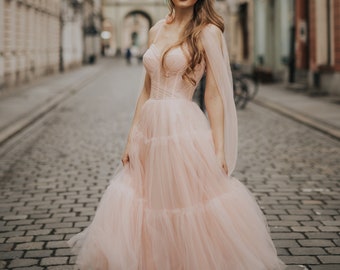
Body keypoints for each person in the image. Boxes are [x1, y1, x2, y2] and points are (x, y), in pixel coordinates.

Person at [68, 0, 287, 269]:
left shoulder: (208, 32)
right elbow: (146, 91)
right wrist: (131, 137)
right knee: (145, 203)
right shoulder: (155, 30)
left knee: (184, 204)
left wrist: (219, 149)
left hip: (181, 128)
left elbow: (215, 95)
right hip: (148, 131)